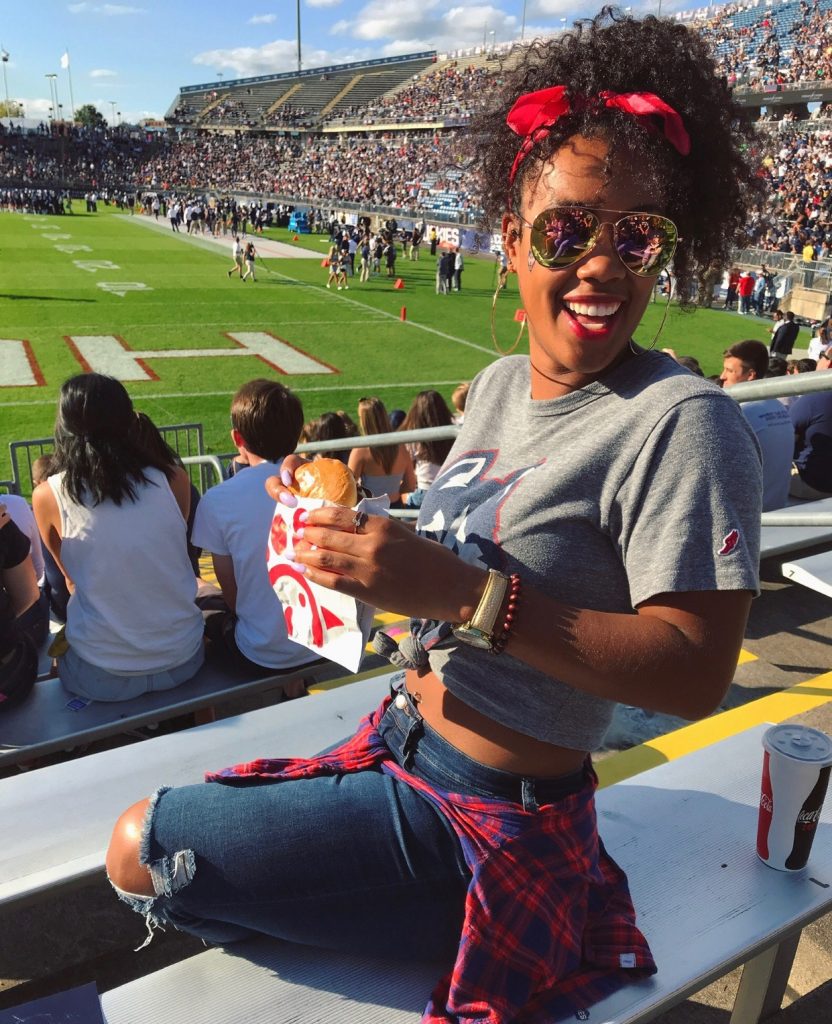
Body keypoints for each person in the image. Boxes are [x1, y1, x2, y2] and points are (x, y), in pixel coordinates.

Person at [106, 13, 763, 1021]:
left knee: (137, 845)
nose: (598, 262)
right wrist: (363, 541)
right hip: (397, 739)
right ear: (511, 239)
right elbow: (459, 552)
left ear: (665, 252)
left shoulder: (682, 419)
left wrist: (455, 592)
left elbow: (692, 670)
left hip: (485, 822)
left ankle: (472, 923)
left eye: (635, 234)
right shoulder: (500, 383)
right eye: (565, 229)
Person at [32, 374, 204, 701]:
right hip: (184, 658)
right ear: (129, 420)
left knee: (59, 652)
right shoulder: (174, 478)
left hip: (101, 674)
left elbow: (71, 582)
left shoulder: (46, 496)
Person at [191, 379, 320, 684]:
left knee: (203, 612)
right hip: (323, 648)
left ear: (238, 438)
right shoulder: (319, 487)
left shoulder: (218, 500)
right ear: (296, 436)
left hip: (259, 654)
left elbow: (234, 598)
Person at [720, 340, 793, 511]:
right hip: (776, 506)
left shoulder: (741, 413)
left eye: (730, 371)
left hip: (752, 518)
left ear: (750, 375)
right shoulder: (777, 405)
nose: (722, 376)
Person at [347, 396, 415, 506]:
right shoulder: (401, 447)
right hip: (396, 507)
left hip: (371, 510)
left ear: (364, 421)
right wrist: (392, 491)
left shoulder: (360, 450)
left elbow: (349, 488)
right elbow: (410, 485)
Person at [399, 390, 456, 508]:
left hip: (425, 493)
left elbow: (407, 473)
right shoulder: (455, 430)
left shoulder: (413, 437)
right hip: (452, 491)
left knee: (405, 524)